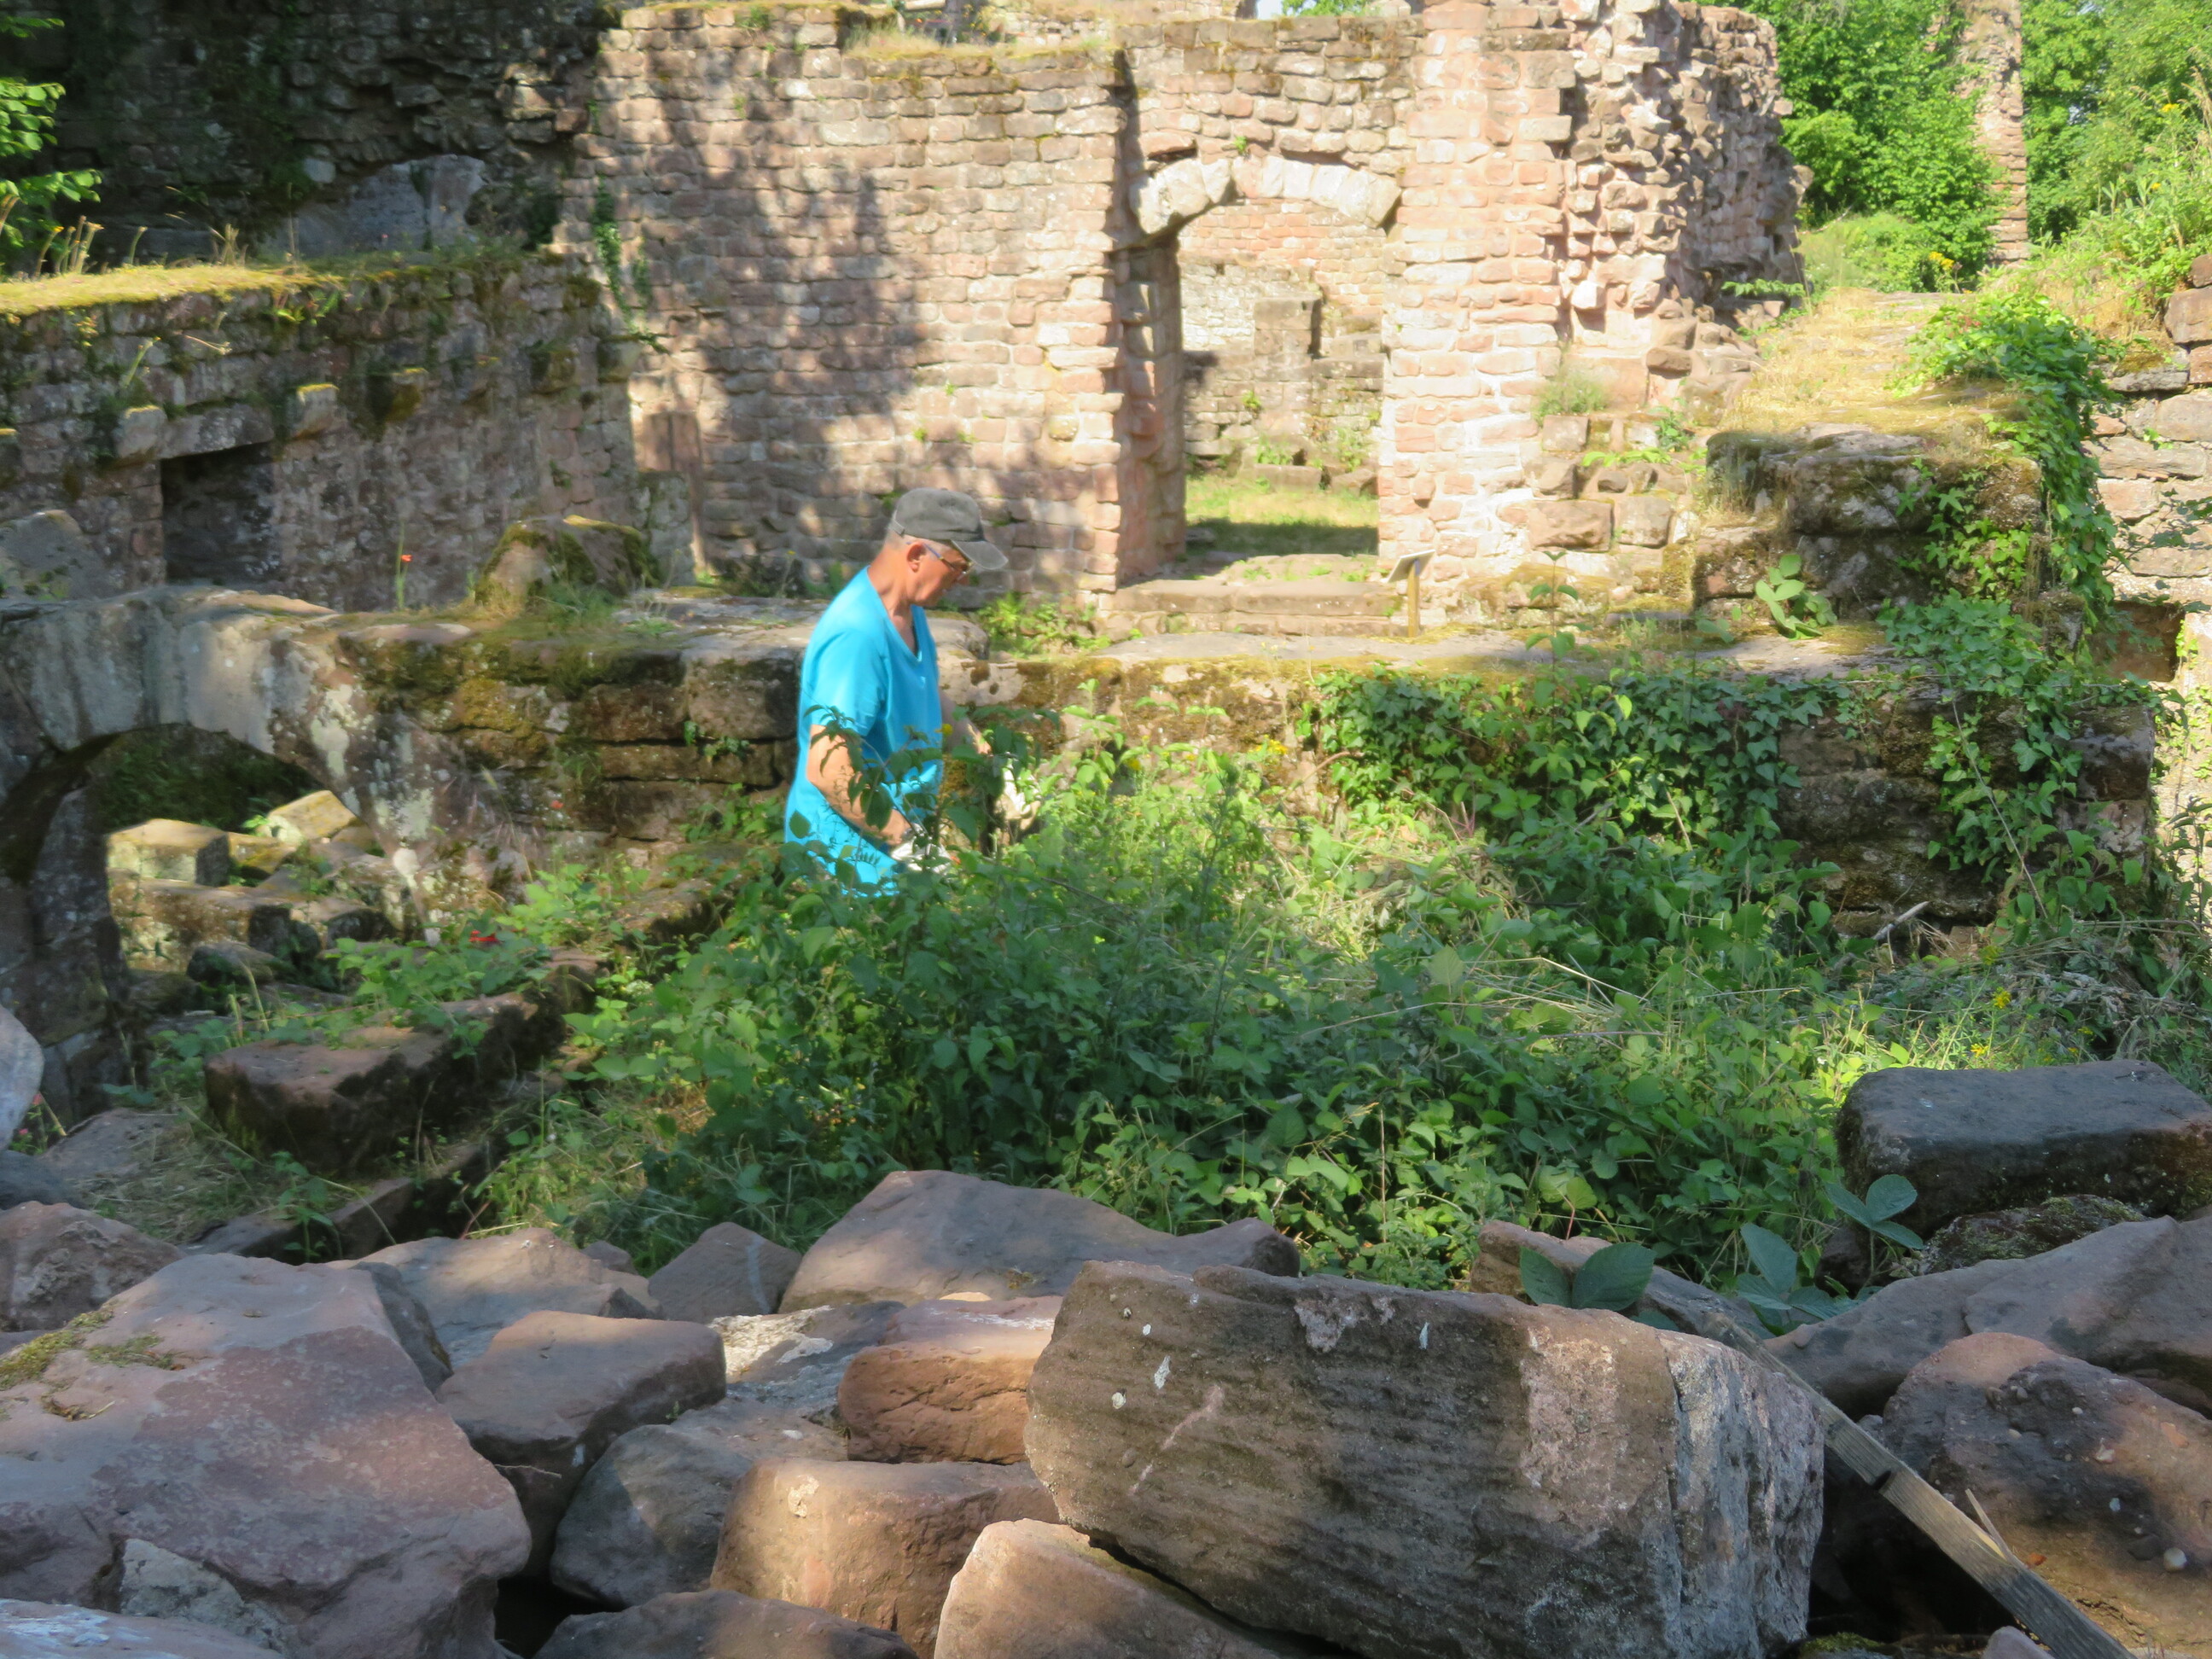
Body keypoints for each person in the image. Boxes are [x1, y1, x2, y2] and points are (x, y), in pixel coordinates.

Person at [783, 486, 1010, 889]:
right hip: (849, 861)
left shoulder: (908, 610)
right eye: (958, 567)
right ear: (917, 555)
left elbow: (926, 691)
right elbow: (828, 770)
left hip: (890, 845)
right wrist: (910, 843)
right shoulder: (858, 635)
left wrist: (993, 764)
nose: (962, 580)